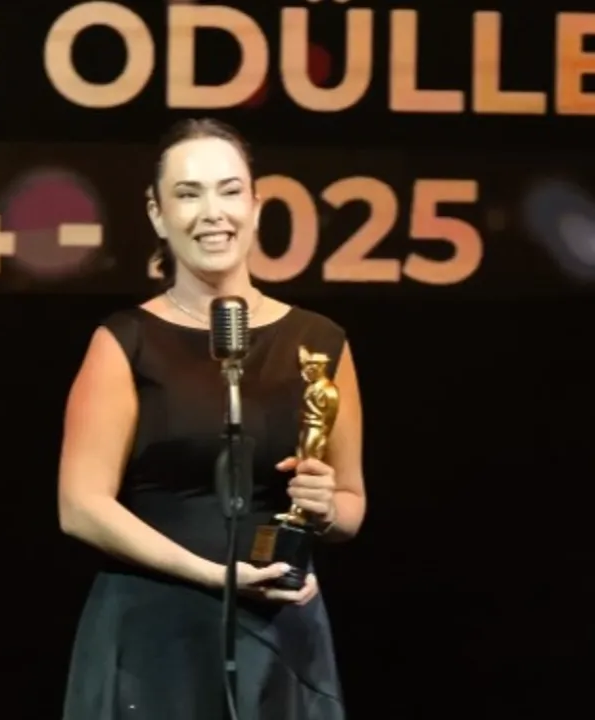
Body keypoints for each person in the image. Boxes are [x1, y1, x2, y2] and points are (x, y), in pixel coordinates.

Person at [57, 118, 367, 719]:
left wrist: (326, 506)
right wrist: (212, 574)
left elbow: (351, 503)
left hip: (278, 636)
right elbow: (80, 506)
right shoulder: (126, 341)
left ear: (256, 206)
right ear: (157, 214)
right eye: (188, 194)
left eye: (229, 191)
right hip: (153, 637)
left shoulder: (319, 342)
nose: (212, 213)